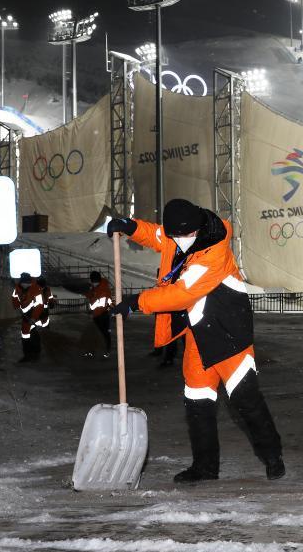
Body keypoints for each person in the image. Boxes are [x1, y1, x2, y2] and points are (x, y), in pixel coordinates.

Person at [107, 199, 285, 482]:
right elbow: (158, 236)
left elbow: (182, 294)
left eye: (189, 235)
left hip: (229, 335)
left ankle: (273, 456)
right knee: (198, 403)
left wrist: (136, 301)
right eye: (179, 236)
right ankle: (205, 467)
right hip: (199, 334)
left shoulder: (214, 251)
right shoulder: (177, 238)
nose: (184, 241)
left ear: (199, 229)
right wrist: (131, 227)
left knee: (246, 401)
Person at [11, 272, 46, 363]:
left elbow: (39, 305)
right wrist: (17, 306)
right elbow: (15, 297)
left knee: (33, 333)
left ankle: (36, 352)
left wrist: (34, 317)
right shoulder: (18, 288)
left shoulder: (36, 289)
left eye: (27, 284)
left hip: (35, 313)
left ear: (30, 282)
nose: (25, 285)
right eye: (23, 283)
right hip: (25, 315)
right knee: (25, 334)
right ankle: (27, 354)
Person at [84, 271, 114, 359]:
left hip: (103, 315)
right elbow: (91, 297)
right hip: (97, 315)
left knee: (104, 334)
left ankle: (106, 351)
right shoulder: (95, 288)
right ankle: (94, 351)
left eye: (94, 281)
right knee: (95, 333)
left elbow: (99, 303)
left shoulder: (103, 290)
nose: (94, 283)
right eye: (93, 281)